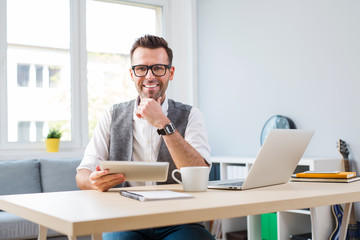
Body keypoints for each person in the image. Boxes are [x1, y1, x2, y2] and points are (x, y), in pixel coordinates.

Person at [76, 34, 215, 240]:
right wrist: (93, 182)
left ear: (171, 73)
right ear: (132, 74)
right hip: (124, 219)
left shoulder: (191, 114)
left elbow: (199, 173)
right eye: (141, 69)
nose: (149, 76)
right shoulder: (111, 115)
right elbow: (82, 174)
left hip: (179, 220)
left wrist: (163, 123)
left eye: (158, 68)